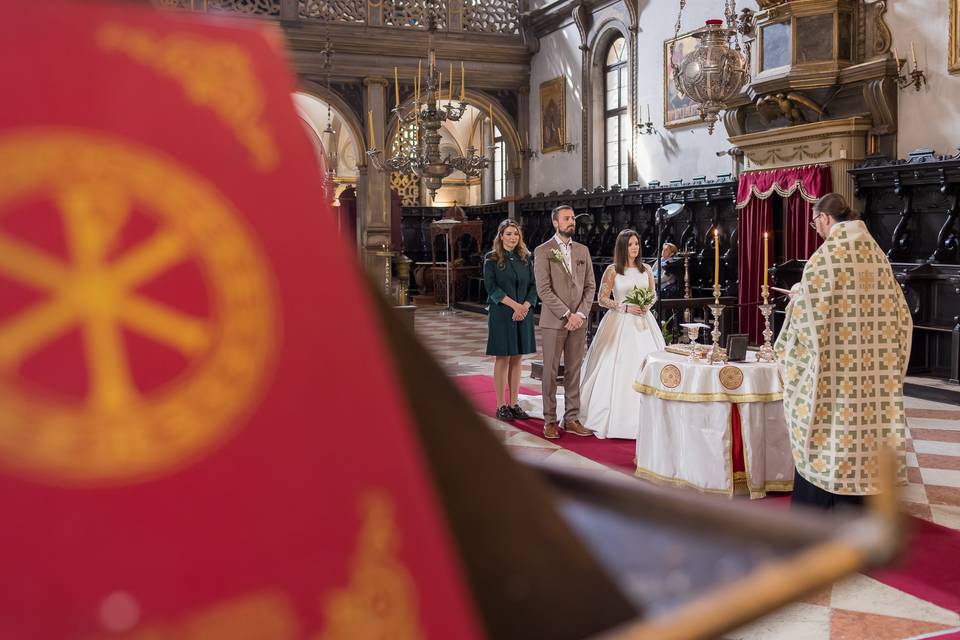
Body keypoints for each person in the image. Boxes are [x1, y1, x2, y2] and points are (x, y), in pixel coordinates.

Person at [775, 193, 913, 510]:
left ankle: (825, 501)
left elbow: (807, 324)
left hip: (836, 378)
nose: (816, 228)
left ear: (824, 218)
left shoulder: (825, 259)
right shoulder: (877, 256)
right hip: (874, 374)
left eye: (814, 222)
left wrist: (787, 339)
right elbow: (902, 317)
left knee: (833, 431)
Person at [580, 230, 666, 439]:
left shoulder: (645, 269)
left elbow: (653, 293)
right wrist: (624, 307)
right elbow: (602, 299)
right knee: (618, 366)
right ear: (622, 247)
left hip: (644, 323)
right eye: (630, 245)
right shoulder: (612, 270)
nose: (635, 248)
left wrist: (646, 304)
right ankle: (614, 417)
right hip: (620, 322)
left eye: (636, 243)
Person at [533, 205, 596, 439]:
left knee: (574, 370)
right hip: (554, 322)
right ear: (555, 223)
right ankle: (549, 420)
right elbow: (543, 289)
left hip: (578, 322)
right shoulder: (543, 251)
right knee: (549, 372)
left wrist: (579, 314)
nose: (572, 222)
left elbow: (590, 286)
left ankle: (571, 418)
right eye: (566, 219)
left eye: (572, 219)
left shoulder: (582, 250)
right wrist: (566, 314)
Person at [483, 219, 538, 422]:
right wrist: (515, 306)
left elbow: (533, 286)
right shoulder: (491, 259)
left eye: (515, 234)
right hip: (502, 313)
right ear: (501, 236)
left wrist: (525, 306)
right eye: (508, 234)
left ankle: (514, 403)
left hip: (523, 312)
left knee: (517, 358)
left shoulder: (525, 258)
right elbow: (492, 289)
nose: (512, 237)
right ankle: (501, 405)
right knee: (503, 357)